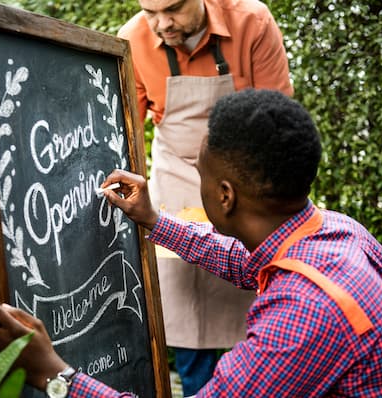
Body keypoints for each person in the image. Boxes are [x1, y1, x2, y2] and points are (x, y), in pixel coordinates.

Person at [0, 89, 382, 396]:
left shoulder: (303, 314)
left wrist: (51, 372)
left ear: (225, 195)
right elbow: (240, 259)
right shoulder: (337, 232)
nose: (199, 186)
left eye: (200, 175)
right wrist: (153, 219)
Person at [117, 0, 293, 394]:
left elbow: (278, 116)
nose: (162, 24)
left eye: (174, 9)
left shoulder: (251, 21)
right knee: (185, 304)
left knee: (257, 293)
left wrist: (259, 195)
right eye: (149, 11)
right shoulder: (132, 39)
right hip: (177, 178)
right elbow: (123, 128)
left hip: (245, 179)